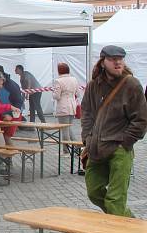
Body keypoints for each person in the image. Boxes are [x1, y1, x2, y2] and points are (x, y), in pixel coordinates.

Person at [81, 45, 147, 217]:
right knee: (94, 192)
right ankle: (129, 222)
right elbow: (86, 113)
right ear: (103, 62)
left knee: (115, 199)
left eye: (120, 59)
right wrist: (87, 138)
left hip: (119, 149)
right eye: (112, 59)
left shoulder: (131, 84)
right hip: (95, 148)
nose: (117, 62)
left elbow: (141, 118)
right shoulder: (93, 85)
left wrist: (125, 142)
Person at [53, 62, 81, 153]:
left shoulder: (58, 81)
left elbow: (57, 96)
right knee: (69, 127)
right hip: (72, 106)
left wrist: (53, 93)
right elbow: (78, 94)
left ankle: (66, 150)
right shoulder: (74, 79)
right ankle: (77, 146)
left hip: (63, 106)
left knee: (64, 129)